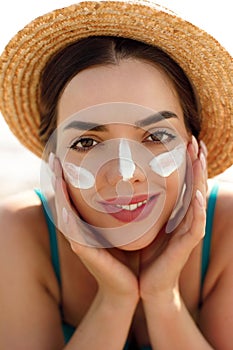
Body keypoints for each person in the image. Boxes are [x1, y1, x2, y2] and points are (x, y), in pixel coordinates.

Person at [0, 1, 233, 349]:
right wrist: (115, 299)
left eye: (156, 137)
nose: (125, 175)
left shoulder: (226, 232)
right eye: (87, 142)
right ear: (54, 158)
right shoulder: (15, 234)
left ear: (191, 145)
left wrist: (162, 296)